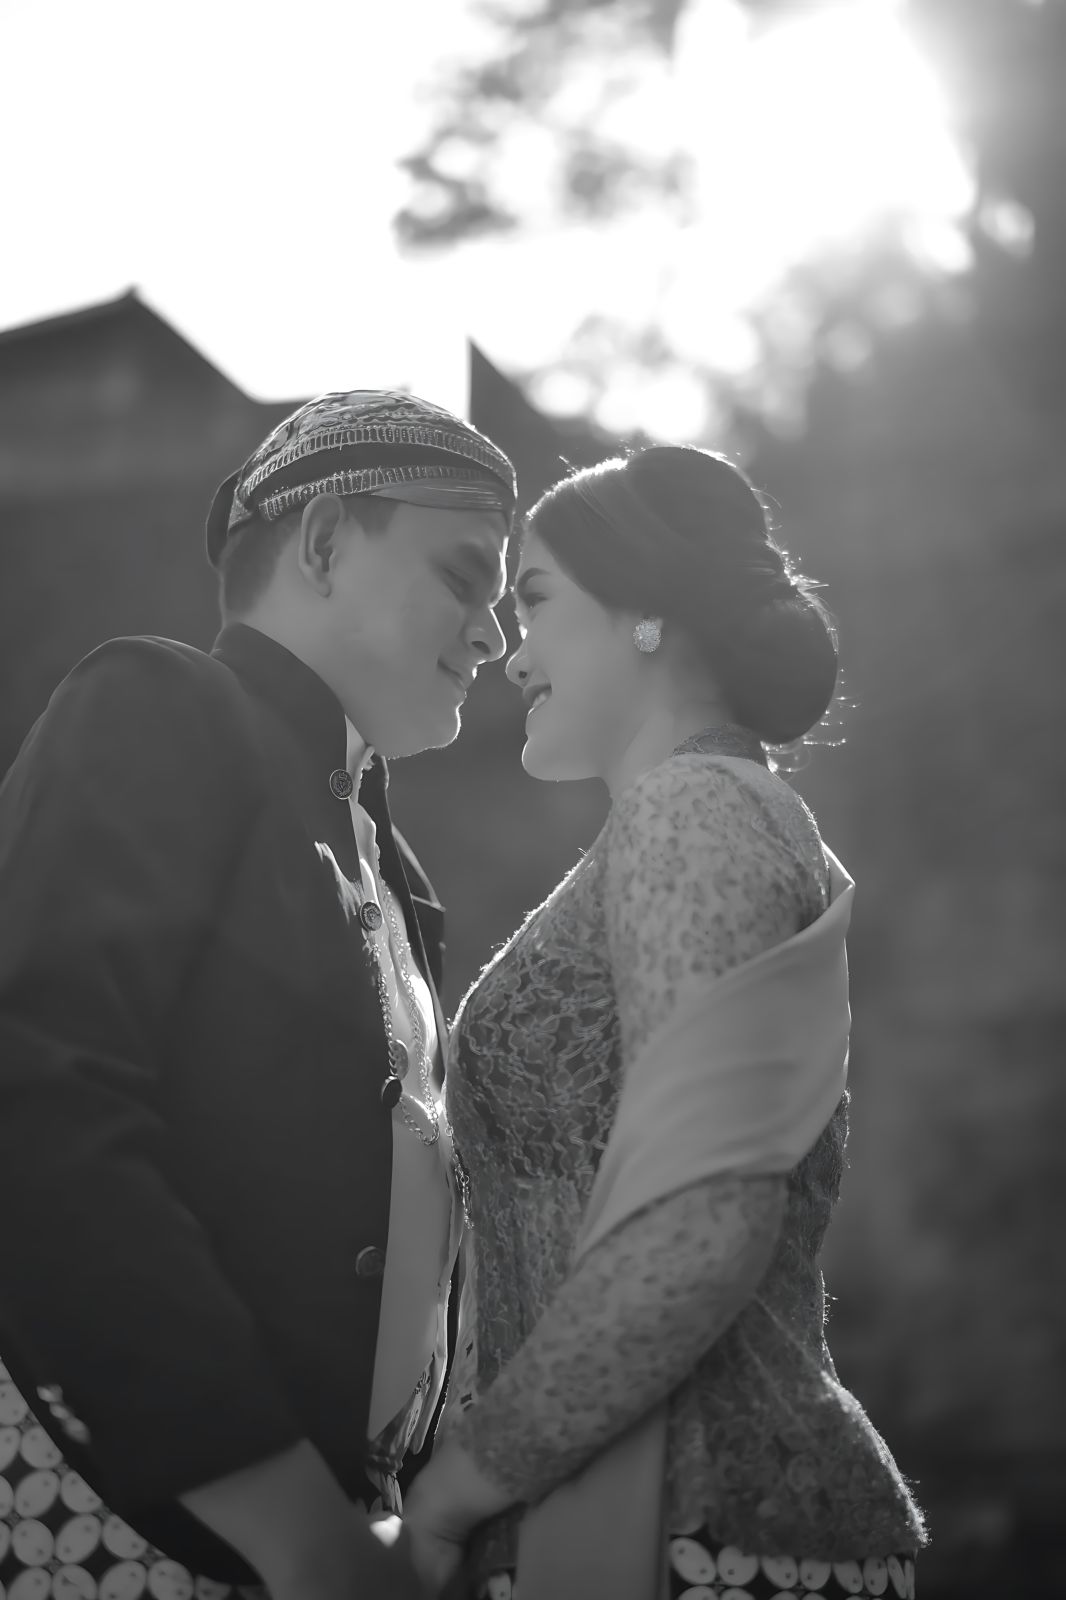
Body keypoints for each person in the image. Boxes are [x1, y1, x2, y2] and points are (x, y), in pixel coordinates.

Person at [0, 391, 515, 1600]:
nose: (494, 635)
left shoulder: (395, 868)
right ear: (324, 543)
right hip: (111, 1525)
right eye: (464, 577)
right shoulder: (156, 706)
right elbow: (35, 1104)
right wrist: (292, 1528)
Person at [403, 446, 928, 1600]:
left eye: (536, 600)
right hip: (655, 1520)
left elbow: (700, 1225)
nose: (512, 653)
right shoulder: (706, 812)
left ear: (645, 611)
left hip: (702, 1532)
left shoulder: (692, 812)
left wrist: (453, 1490)